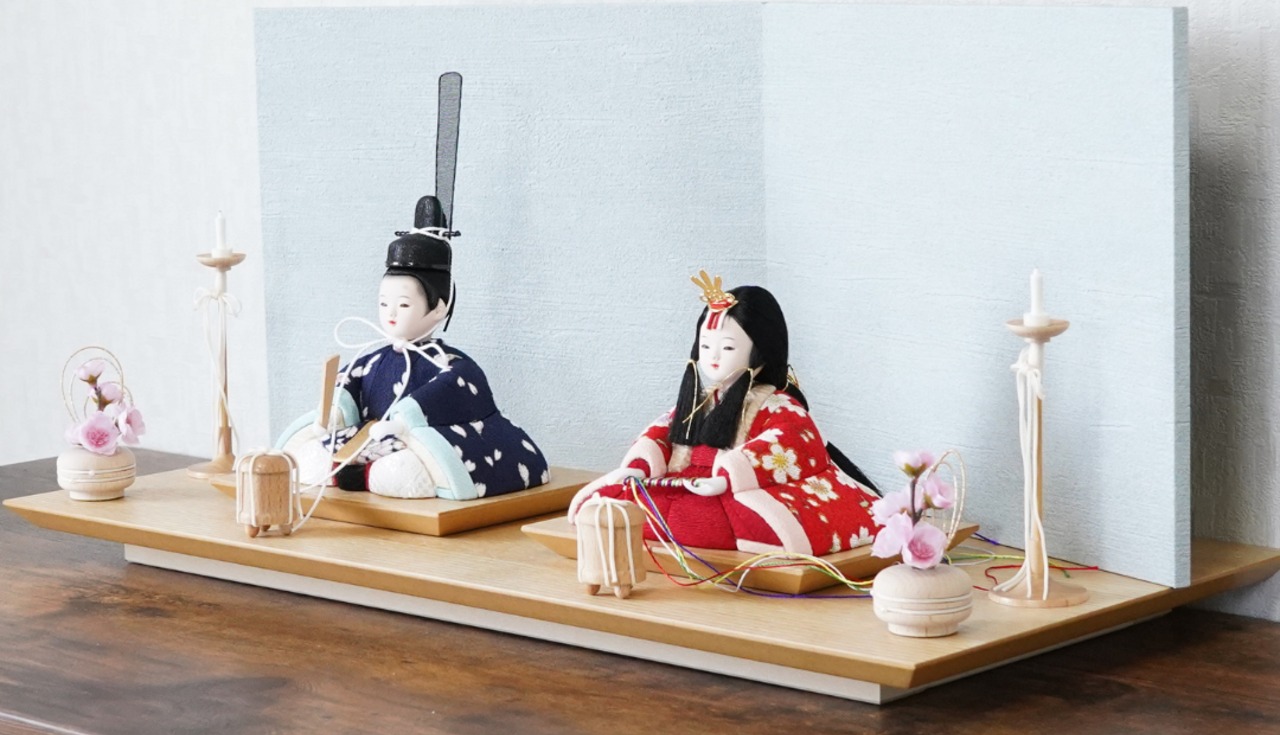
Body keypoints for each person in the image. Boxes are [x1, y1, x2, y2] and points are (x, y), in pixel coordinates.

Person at [569, 273, 880, 556]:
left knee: (717, 519)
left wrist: (730, 475)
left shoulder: (777, 405)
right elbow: (662, 431)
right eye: (706, 346)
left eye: (728, 348)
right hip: (683, 485)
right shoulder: (703, 401)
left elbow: (791, 439)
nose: (714, 357)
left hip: (730, 487)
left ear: (761, 350)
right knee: (625, 504)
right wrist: (639, 467)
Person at [279, 208, 549, 500]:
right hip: (369, 436)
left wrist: (405, 419)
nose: (391, 314)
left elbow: (456, 390)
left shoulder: (449, 364)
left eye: (404, 305)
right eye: (384, 304)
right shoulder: (373, 360)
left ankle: (368, 476)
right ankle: (351, 473)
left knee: (401, 471)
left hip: (416, 440)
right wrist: (334, 413)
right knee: (311, 456)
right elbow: (349, 384)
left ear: (439, 308)